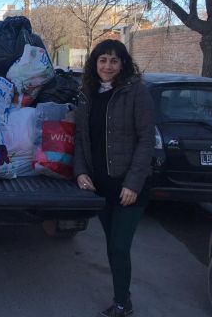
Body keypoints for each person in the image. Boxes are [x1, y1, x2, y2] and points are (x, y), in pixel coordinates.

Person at [73, 39, 155, 317]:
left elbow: (146, 141)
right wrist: (81, 171)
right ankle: (123, 298)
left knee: (120, 246)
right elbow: (82, 140)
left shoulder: (136, 93)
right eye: (103, 60)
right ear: (94, 63)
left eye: (114, 60)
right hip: (101, 185)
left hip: (129, 186)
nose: (107, 66)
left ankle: (122, 303)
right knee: (112, 245)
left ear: (123, 64)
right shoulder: (86, 94)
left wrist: (133, 183)